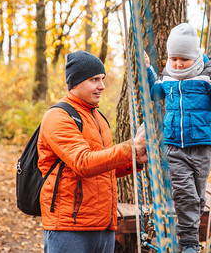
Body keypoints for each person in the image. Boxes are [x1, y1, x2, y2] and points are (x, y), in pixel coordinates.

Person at [38, 50, 148, 253]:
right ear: (75, 82)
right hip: (70, 229)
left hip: (104, 227)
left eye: (102, 79)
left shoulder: (97, 117)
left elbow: (103, 167)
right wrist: (129, 148)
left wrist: (135, 160)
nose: (102, 86)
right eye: (94, 79)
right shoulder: (58, 117)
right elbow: (84, 163)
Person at [144, 23, 211, 253]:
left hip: (202, 146)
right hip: (175, 146)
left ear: (194, 56)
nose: (177, 64)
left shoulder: (207, 74)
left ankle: (190, 234)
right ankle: (189, 243)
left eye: (182, 59)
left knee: (196, 196)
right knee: (184, 194)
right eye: (173, 58)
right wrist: (148, 71)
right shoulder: (168, 76)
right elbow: (155, 93)